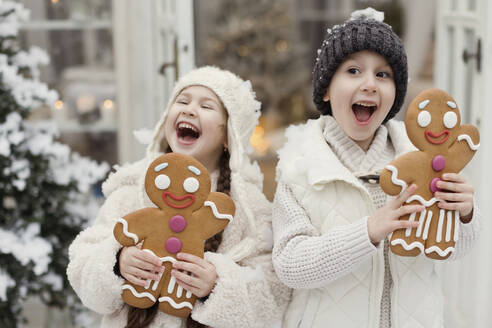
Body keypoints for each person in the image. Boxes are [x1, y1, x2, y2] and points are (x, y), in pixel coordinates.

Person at [272, 8, 481, 328]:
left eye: (383, 75)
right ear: (327, 89)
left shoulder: (422, 161)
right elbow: (291, 266)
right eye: (354, 71)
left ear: (396, 95)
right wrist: (367, 231)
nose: (370, 84)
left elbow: (452, 251)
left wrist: (464, 214)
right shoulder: (300, 169)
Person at [67, 66, 290, 328]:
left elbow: (273, 295)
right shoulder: (131, 189)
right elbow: (82, 265)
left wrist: (217, 284)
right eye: (182, 101)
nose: (189, 109)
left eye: (207, 106)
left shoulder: (247, 206)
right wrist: (117, 262)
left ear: (228, 135)